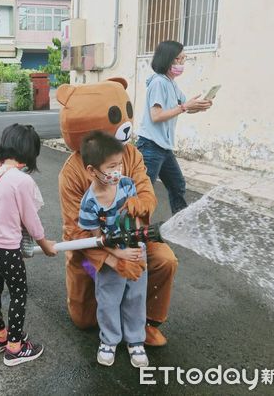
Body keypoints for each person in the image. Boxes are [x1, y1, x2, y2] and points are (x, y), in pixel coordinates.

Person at [57, 78, 177, 348]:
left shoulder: (131, 154)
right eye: (114, 116)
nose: (125, 123)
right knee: (85, 319)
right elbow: (76, 232)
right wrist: (112, 262)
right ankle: (108, 317)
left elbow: (146, 189)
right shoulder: (72, 172)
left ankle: (146, 322)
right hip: (91, 252)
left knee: (164, 259)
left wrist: (142, 202)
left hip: (132, 240)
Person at [0, 124, 57, 367]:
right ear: (28, 152)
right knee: (18, 293)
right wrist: (45, 245)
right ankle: (15, 347)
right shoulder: (20, 180)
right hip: (5, 248)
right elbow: (31, 221)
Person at [78, 131, 148, 368]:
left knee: (136, 296)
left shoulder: (127, 185)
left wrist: (136, 245)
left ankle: (136, 340)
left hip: (135, 250)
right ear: (91, 170)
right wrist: (119, 255)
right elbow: (97, 240)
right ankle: (109, 340)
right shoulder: (89, 204)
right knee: (108, 299)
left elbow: (135, 219)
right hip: (111, 258)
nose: (118, 170)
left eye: (119, 164)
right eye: (111, 166)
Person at [136, 40, 213, 214]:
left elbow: (184, 108)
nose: (181, 63)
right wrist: (185, 107)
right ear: (168, 59)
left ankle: (180, 223)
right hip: (150, 146)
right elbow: (157, 116)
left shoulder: (171, 84)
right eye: (179, 59)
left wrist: (200, 106)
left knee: (177, 185)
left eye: (183, 59)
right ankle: (129, 229)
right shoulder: (158, 83)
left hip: (163, 147)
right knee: (142, 192)